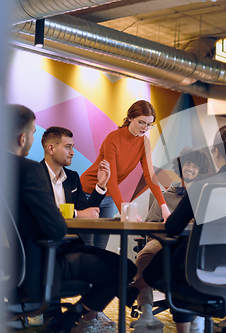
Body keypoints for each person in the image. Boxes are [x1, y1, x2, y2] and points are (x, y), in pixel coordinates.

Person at [3, 104, 137, 333]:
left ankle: (65, 321)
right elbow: (55, 230)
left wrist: (100, 187)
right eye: (34, 132)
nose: (33, 138)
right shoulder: (30, 170)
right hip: (43, 261)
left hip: (13, 262)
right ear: (22, 137)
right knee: (124, 268)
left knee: (107, 262)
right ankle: (68, 319)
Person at [142, 124, 226, 333]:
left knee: (170, 264)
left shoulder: (205, 186)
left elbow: (172, 227)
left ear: (215, 151)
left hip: (204, 267)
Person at [40, 126, 118, 329]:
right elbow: (41, 212)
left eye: (73, 147)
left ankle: (78, 315)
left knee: (124, 268)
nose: (73, 152)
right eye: (68, 147)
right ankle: (60, 318)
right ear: (51, 148)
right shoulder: (34, 176)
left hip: (71, 246)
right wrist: (75, 214)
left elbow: (86, 209)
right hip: (44, 246)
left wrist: (100, 186)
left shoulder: (72, 177)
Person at [129, 147, 210, 333]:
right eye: (186, 163)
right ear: (179, 168)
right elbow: (150, 224)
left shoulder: (204, 194)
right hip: (164, 240)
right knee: (144, 256)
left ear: (200, 168)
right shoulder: (164, 197)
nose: (190, 167)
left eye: (194, 164)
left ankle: (195, 315)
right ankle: (147, 312)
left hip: (194, 242)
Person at [80, 100, 170, 249]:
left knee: (101, 246)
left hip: (108, 197)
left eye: (149, 124)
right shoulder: (113, 138)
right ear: (130, 118)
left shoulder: (144, 143)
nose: (145, 128)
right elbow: (111, 180)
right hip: (89, 192)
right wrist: (126, 212)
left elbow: (150, 176)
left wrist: (164, 207)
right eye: (141, 122)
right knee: (87, 245)